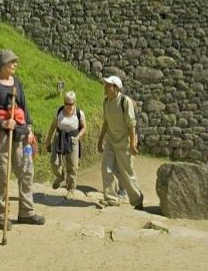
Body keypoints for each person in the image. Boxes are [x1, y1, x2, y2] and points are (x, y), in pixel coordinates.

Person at [0, 50, 46, 230]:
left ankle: (26, 212)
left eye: (15, 62)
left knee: (26, 172)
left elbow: (24, 107)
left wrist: (30, 128)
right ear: (2, 65)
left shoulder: (17, 83)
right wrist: (2, 123)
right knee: (2, 175)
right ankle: (2, 215)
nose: (15, 64)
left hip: (21, 134)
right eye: (11, 62)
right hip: (2, 136)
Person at [97, 76, 144, 209]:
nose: (105, 87)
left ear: (116, 88)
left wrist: (133, 144)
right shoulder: (106, 102)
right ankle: (111, 198)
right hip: (111, 141)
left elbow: (131, 124)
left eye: (108, 85)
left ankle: (137, 199)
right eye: (105, 84)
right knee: (106, 168)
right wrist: (100, 141)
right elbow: (106, 123)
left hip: (124, 142)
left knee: (127, 173)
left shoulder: (125, 101)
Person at [44, 91, 86, 199]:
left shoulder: (79, 113)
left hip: (73, 139)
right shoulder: (59, 111)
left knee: (72, 165)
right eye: (66, 103)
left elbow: (84, 127)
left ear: (74, 103)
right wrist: (48, 139)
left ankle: (71, 189)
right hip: (59, 138)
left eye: (70, 104)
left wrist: (78, 137)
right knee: (54, 161)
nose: (67, 106)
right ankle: (60, 176)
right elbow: (53, 125)